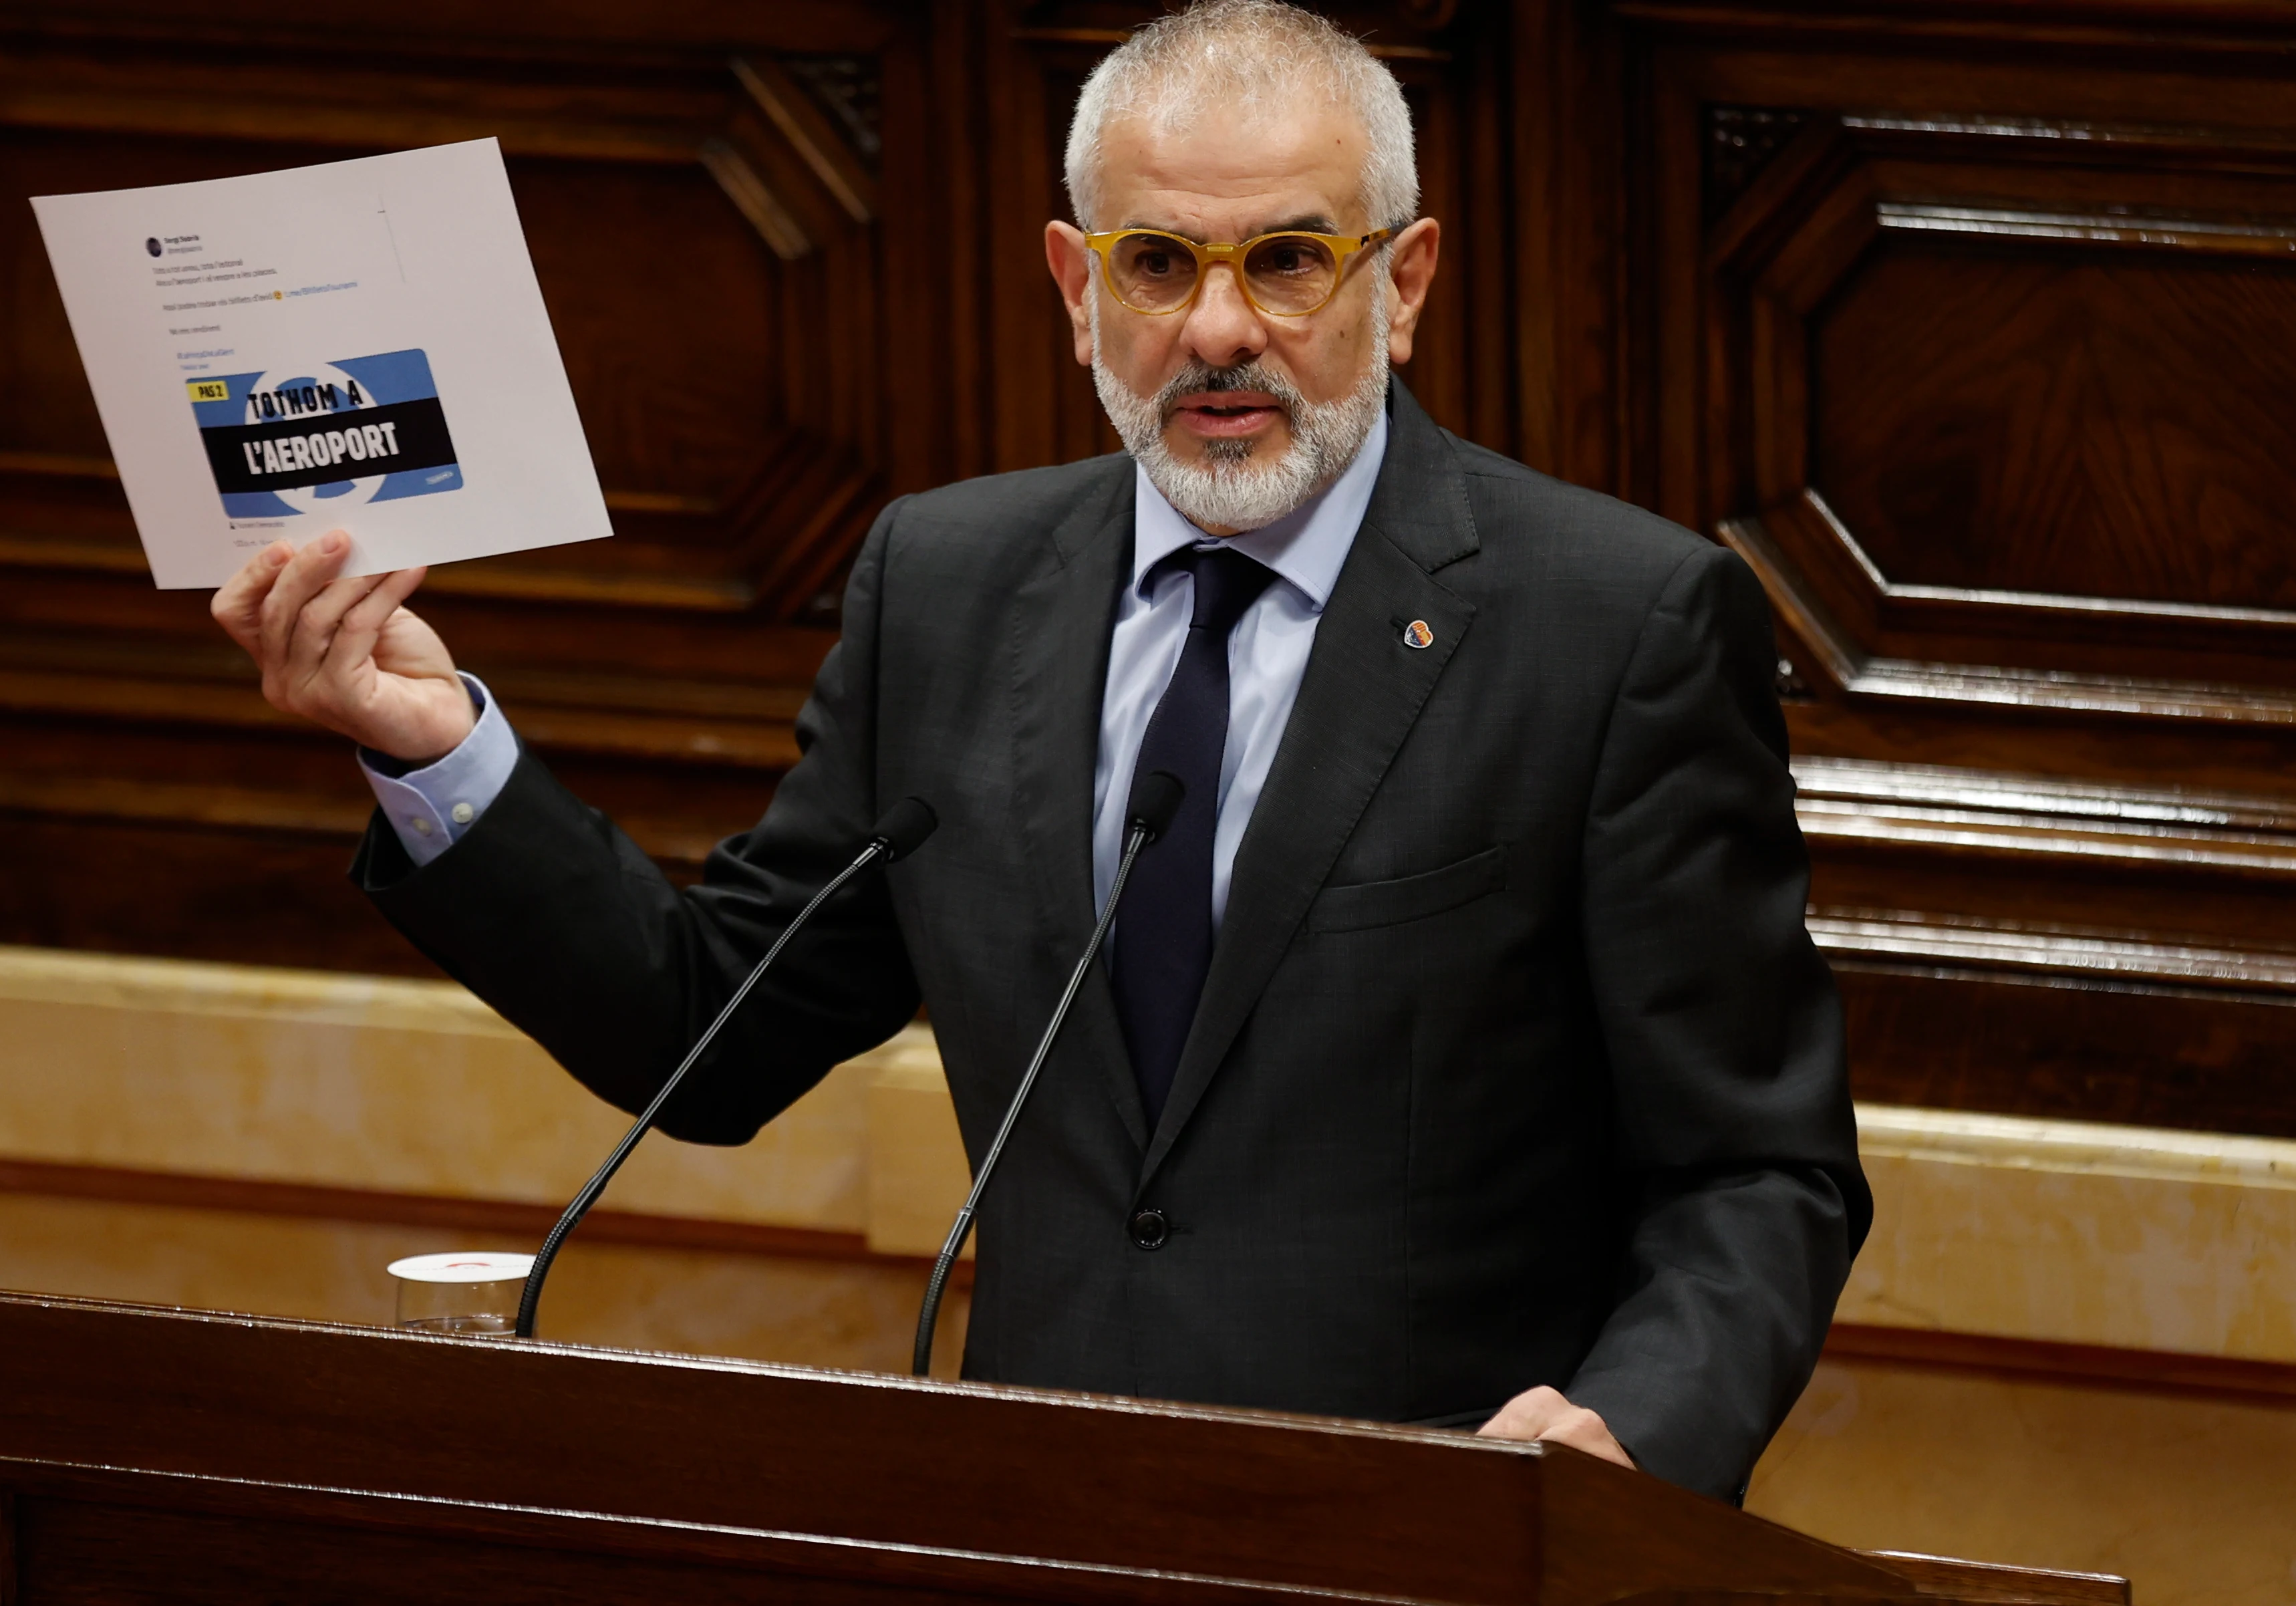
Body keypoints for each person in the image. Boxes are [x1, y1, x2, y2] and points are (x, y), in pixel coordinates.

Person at [210, 0, 1866, 1504]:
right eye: (1159, 264)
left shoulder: (1615, 624)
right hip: (1034, 1525)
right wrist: (437, 751)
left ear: (1405, 281)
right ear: (1078, 288)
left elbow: (1756, 1167)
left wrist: (1624, 1435)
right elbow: (710, 1035)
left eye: (1288, 260)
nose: (1219, 331)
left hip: (1433, 1540)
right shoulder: (947, 587)